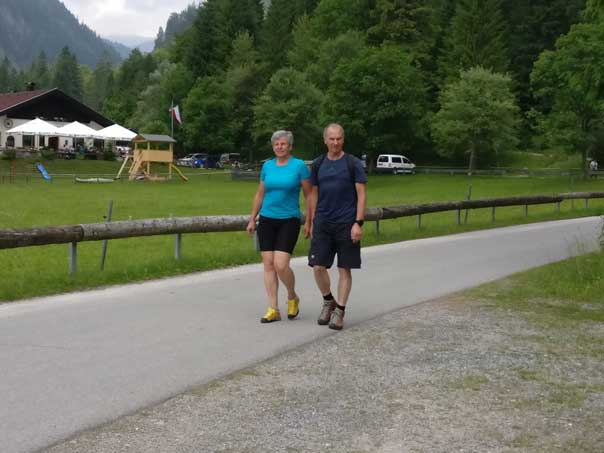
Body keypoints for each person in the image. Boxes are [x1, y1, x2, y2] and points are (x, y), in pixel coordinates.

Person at [246, 130, 312, 323]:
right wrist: (252, 218)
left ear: (290, 146)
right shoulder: (267, 166)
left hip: (289, 219)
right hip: (267, 219)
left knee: (281, 265)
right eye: (276, 144)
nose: (279, 147)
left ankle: (292, 296)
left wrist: (310, 220)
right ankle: (273, 308)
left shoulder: (299, 166)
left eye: (283, 144)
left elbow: (309, 195)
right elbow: (260, 193)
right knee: (268, 264)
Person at [307, 123, 367, 330]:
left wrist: (358, 223)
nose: (335, 142)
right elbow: (313, 193)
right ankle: (328, 301)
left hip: (347, 223)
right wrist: (312, 220)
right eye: (331, 139)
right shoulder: (318, 163)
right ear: (325, 140)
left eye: (338, 138)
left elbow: (361, 194)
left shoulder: (353, 163)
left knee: (344, 268)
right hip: (323, 222)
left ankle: (339, 310)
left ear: (343, 139)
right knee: (317, 267)